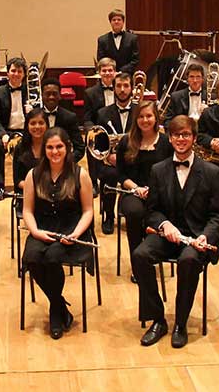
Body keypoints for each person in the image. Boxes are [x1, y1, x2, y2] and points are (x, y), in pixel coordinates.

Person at [133, 115, 219, 349]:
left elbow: (218, 216)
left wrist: (206, 235)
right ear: (170, 138)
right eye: (176, 135)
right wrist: (165, 225)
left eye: (186, 134)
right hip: (168, 233)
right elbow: (151, 211)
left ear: (194, 138)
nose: (181, 139)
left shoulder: (212, 172)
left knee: (188, 261)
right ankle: (158, 319)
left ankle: (181, 323)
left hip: (197, 237)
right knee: (140, 256)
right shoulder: (158, 170)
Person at [21, 127, 96, 339]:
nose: (55, 152)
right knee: (32, 258)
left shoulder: (80, 174)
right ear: (44, 150)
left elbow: (88, 211)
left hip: (72, 230)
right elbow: (27, 210)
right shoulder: (33, 175)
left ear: (68, 148)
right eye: (50, 147)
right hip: (42, 228)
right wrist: (34, 232)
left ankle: (55, 313)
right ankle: (60, 306)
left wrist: (75, 234)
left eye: (59, 147)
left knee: (53, 256)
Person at [116, 100, 172, 275]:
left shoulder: (166, 142)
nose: (145, 120)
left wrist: (153, 190)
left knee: (154, 213)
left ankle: (151, 254)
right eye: (141, 116)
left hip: (160, 193)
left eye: (149, 116)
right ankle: (137, 265)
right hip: (132, 192)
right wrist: (136, 188)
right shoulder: (126, 142)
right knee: (134, 213)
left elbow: (171, 172)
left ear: (156, 118)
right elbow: (120, 174)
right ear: (136, 119)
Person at [91, 71, 137, 234]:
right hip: (111, 161)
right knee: (110, 175)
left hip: (135, 161)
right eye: (118, 86)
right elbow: (100, 142)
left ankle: (138, 213)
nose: (122, 89)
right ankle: (109, 216)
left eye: (126, 86)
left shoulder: (140, 111)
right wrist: (108, 156)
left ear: (132, 88)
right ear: (113, 88)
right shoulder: (103, 113)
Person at [0, 57, 30, 196]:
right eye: (13, 71)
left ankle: (22, 185)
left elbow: (40, 116)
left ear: (24, 74)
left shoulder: (31, 92)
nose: (16, 74)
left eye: (19, 71)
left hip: (26, 131)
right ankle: (0, 186)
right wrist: (3, 134)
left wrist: (33, 111)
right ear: (8, 73)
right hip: (6, 131)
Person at [41, 80, 84, 159]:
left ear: (60, 96)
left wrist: (67, 162)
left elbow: (80, 148)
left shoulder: (70, 117)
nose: (51, 97)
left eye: (54, 94)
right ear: (42, 96)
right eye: (47, 94)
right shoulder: (35, 117)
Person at [96, 9, 139, 76]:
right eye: (114, 20)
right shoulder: (102, 40)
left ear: (123, 22)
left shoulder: (132, 38)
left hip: (126, 75)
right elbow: (101, 59)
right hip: (109, 76)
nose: (116, 22)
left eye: (119, 19)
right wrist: (111, 71)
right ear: (110, 22)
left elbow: (135, 60)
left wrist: (121, 71)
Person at [12, 108, 48, 186]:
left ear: (47, 125)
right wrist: (34, 189)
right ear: (27, 126)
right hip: (26, 192)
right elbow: (17, 180)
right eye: (33, 123)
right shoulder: (19, 148)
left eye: (41, 123)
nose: (37, 127)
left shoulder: (52, 147)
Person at [83, 58, 118, 124]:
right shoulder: (90, 93)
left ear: (115, 72)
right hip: (99, 128)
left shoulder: (121, 91)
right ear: (99, 73)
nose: (107, 73)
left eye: (110, 70)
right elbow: (87, 120)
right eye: (104, 71)